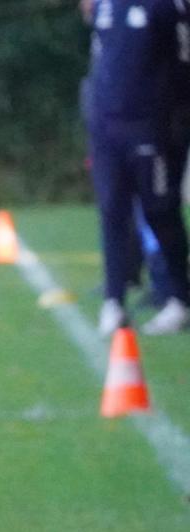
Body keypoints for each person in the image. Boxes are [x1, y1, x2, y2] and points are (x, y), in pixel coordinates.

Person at [84, 0, 190, 335]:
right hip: (107, 128)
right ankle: (114, 300)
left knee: (160, 211)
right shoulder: (105, 6)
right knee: (112, 210)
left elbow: (182, 67)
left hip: (152, 128)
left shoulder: (167, 7)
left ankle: (179, 298)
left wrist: (173, 123)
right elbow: (101, 59)